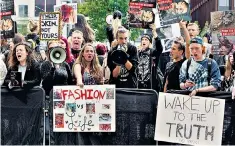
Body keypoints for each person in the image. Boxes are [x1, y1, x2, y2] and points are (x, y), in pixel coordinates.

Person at [137, 24, 163, 91]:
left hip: (151, 86)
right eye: (142, 39)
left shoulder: (153, 53)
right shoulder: (137, 53)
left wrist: (154, 33)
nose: (144, 41)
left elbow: (159, 48)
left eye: (146, 40)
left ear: (150, 43)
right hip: (139, 85)